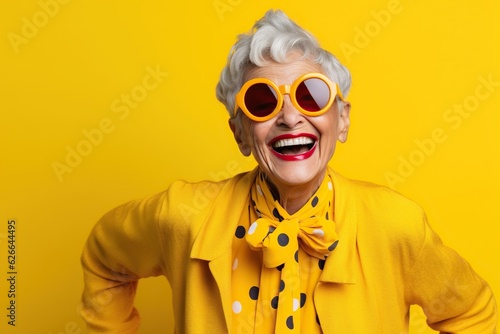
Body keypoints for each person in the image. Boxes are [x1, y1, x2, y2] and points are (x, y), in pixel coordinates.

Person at [80, 9, 497, 333]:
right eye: (262, 102)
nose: (290, 118)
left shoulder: (393, 224)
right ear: (241, 133)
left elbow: (473, 311)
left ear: (343, 119)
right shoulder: (183, 215)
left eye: (310, 95)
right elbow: (104, 258)